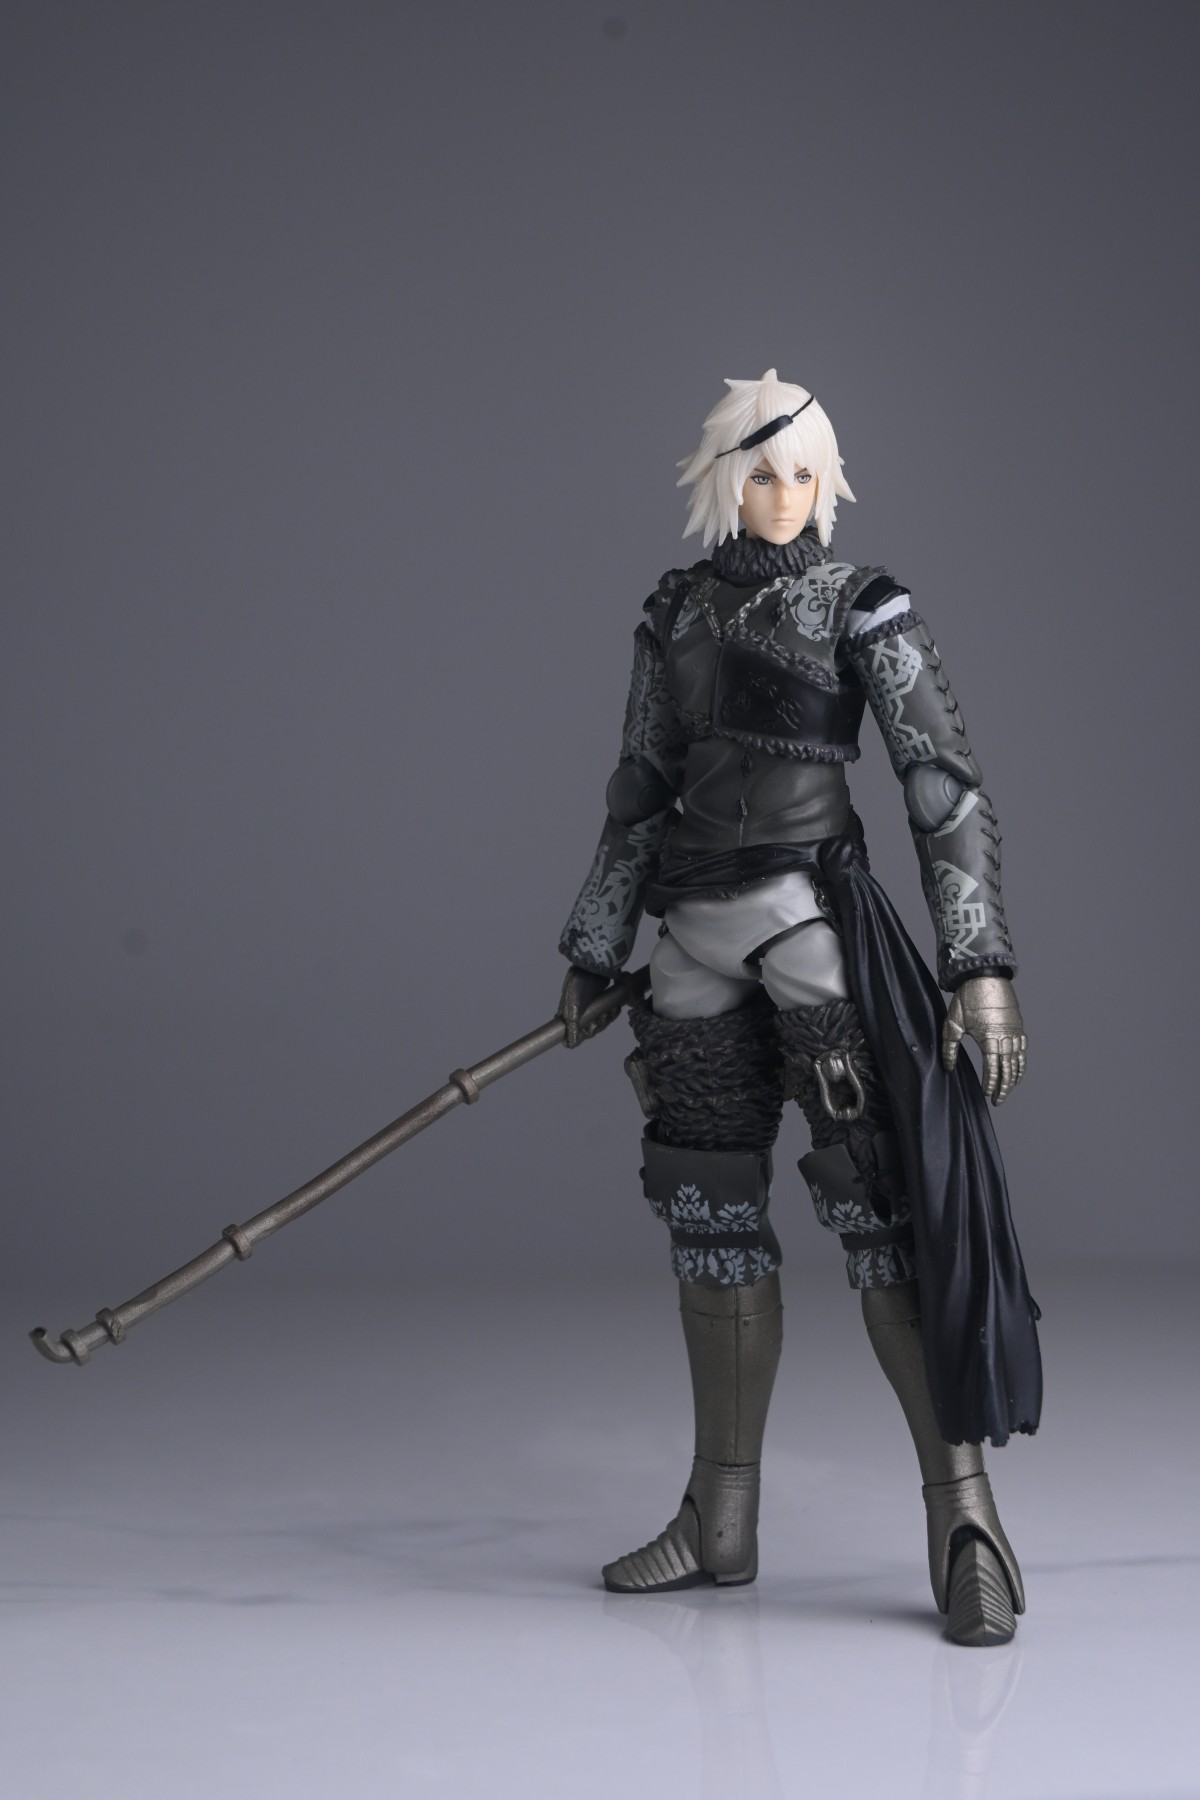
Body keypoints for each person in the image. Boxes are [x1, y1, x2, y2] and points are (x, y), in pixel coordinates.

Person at [556, 370, 1041, 1647]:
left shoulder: (862, 605)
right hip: (691, 952)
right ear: (724, 480)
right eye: (763, 472)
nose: (785, 495)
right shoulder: (674, 612)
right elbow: (640, 786)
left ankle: (966, 1524)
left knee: (882, 1220)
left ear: (831, 481)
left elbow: (942, 787)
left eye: (805, 473)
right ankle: (719, 1518)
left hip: (813, 938)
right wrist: (599, 945)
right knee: (711, 1221)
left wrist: (980, 967)